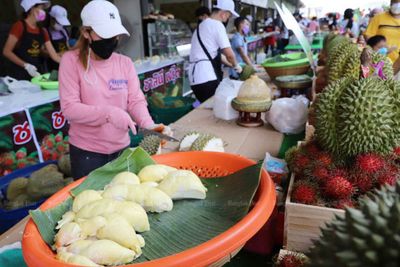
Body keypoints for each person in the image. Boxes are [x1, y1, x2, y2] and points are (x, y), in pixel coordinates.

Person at [59, 0, 172, 179]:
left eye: (114, 35)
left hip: (122, 150)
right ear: (86, 32)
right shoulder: (71, 62)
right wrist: (109, 114)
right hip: (88, 153)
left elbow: (135, 100)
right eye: (105, 35)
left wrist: (149, 125)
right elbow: (70, 108)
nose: (111, 41)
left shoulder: (124, 63)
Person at [189, 0, 242, 103]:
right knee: (216, 111)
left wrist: (232, 65)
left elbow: (215, 54)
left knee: (208, 108)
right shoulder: (217, 25)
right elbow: (229, 54)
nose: (228, 19)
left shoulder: (201, 26)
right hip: (206, 77)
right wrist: (237, 66)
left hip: (195, 79)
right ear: (223, 13)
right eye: (229, 16)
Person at [2, 0, 61, 80]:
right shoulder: (19, 26)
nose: (43, 12)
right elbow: (6, 51)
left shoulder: (42, 31)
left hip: (36, 74)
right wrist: (26, 65)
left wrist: (68, 63)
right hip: (19, 75)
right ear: (32, 8)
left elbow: (54, 55)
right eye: (41, 8)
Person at [47, 5, 71, 71]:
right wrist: (56, 54)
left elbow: (68, 46)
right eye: (59, 22)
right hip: (53, 66)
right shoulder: (45, 32)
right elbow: (42, 51)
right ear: (51, 19)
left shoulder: (64, 31)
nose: (61, 25)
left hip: (66, 63)